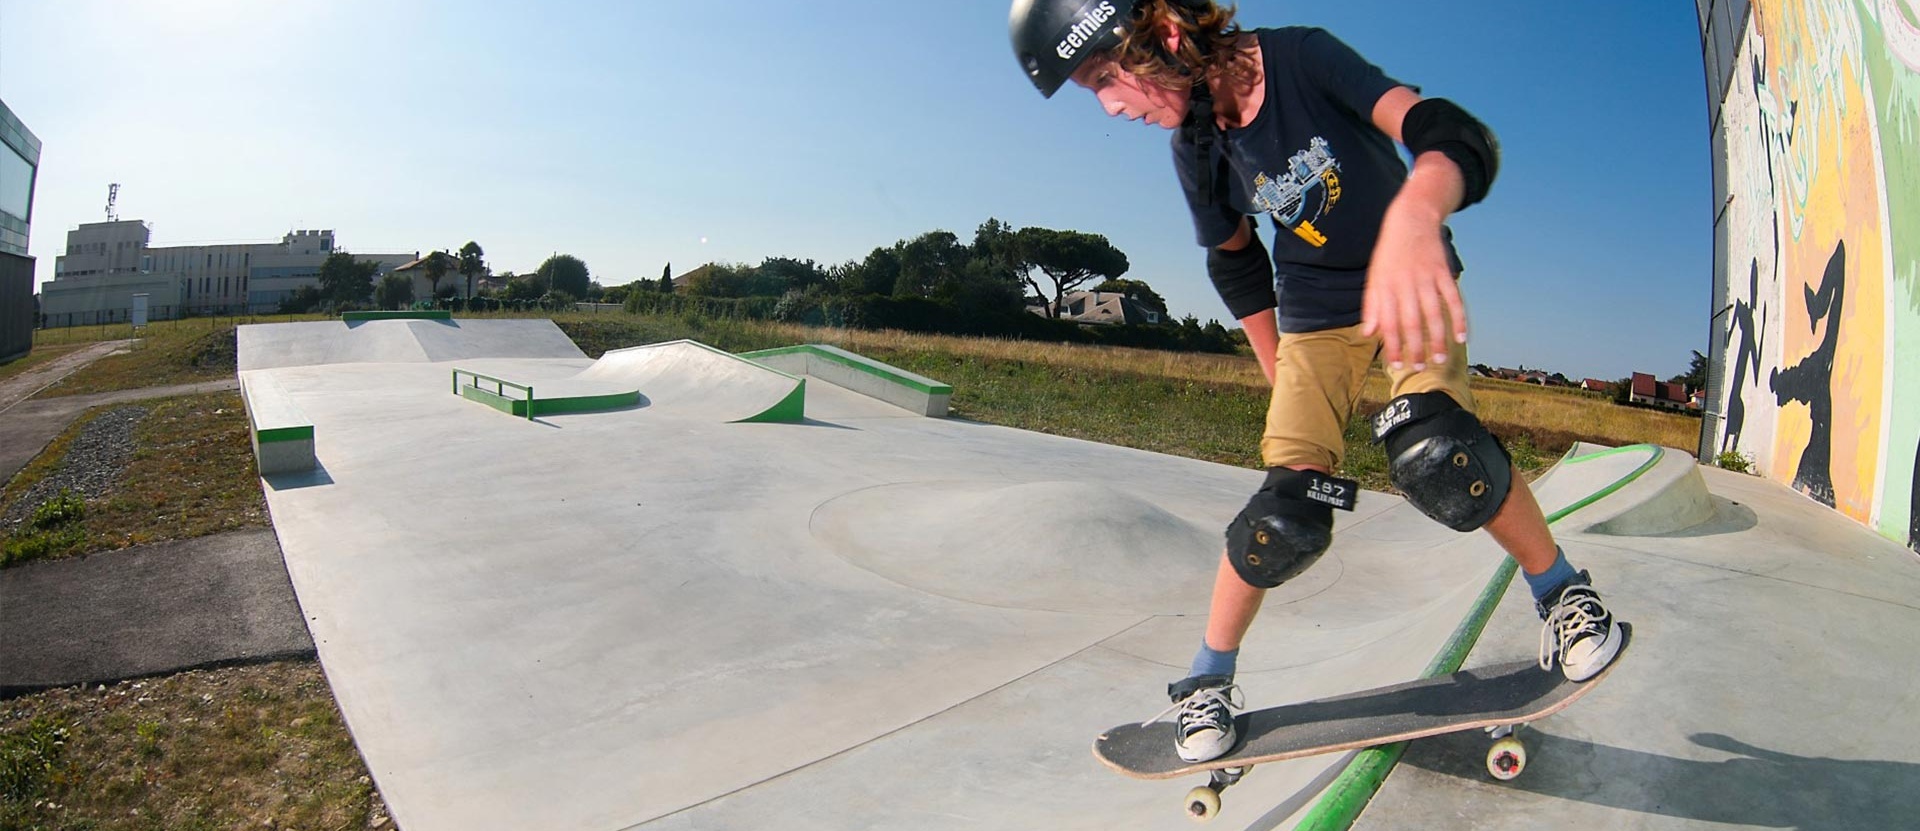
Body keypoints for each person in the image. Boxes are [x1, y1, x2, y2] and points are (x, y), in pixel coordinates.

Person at [1008, 0, 1627, 763]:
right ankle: (1207, 678)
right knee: (1283, 513)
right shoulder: (1196, 144)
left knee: (1440, 451)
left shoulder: (1304, 57)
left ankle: (1563, 592)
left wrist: (1417, 214)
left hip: (1409, 285)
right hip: (1312, 317)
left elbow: (1449, 131)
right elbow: (1235, 258)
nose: (1109, 105)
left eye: (1105, 76)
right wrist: (1279, 372)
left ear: (1163, 36)